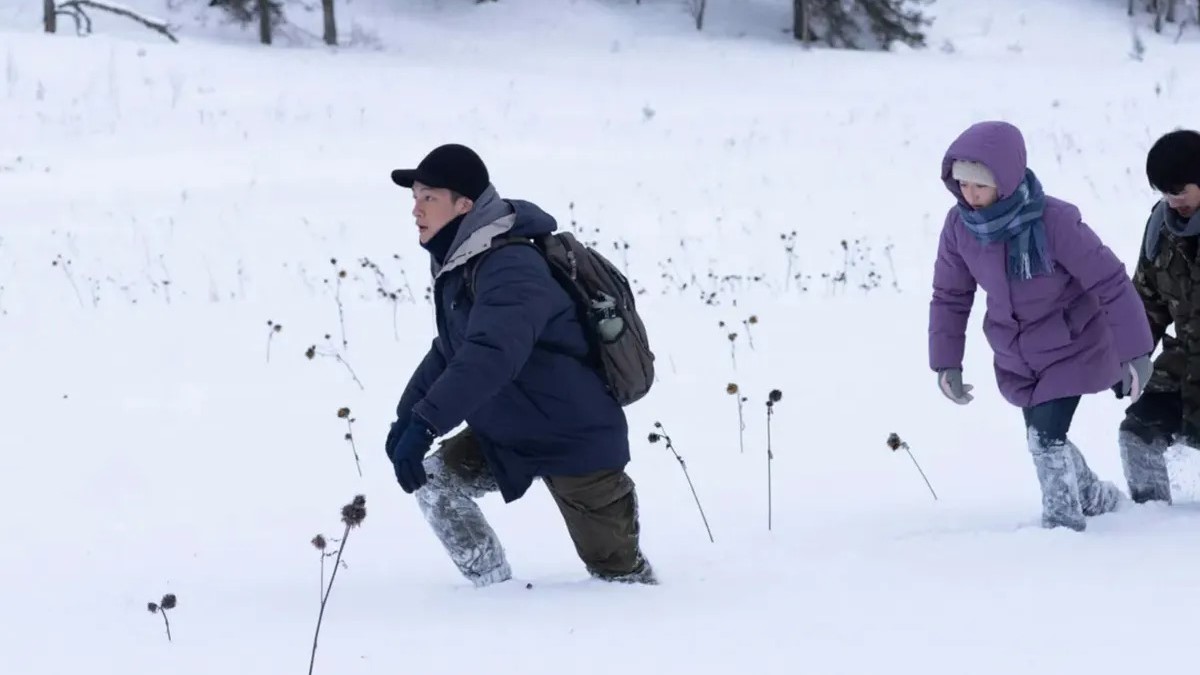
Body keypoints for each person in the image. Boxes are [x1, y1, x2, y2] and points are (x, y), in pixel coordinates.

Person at [383, 143, 656, 586]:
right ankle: (493, 593)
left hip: (573, 436)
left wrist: (427, 423)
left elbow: (490, 356)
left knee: (620, 579)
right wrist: (407, 417)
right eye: (414, 197)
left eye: (428, 197)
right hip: (510, 431)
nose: (416, 209)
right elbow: (452, 349)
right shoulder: (465, 262)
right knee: (435, 483)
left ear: (464, 204)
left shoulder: (510, 266)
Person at [928, 120, 1154, 531]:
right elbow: (950, 296)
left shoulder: (1055, 221)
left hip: (1076, 344)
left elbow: (1111, 282)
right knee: (1044, 438)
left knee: (1045, 441)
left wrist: (1136, 354)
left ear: (1007, 179)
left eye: (980, 185)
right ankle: (1094, 495)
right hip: (1017, 352)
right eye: (963, 184)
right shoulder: (960, 228)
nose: (970, 195)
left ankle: (1062, 525)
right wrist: (947, 363)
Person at [1119, 129, 1200, 504]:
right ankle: (1151, 526)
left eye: (1180, 190)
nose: (1173, 200)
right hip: (1184, 367)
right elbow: (1146, 302)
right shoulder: (1161, 229)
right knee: (1138, 433)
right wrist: (1131, 357)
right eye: (1165, 192)